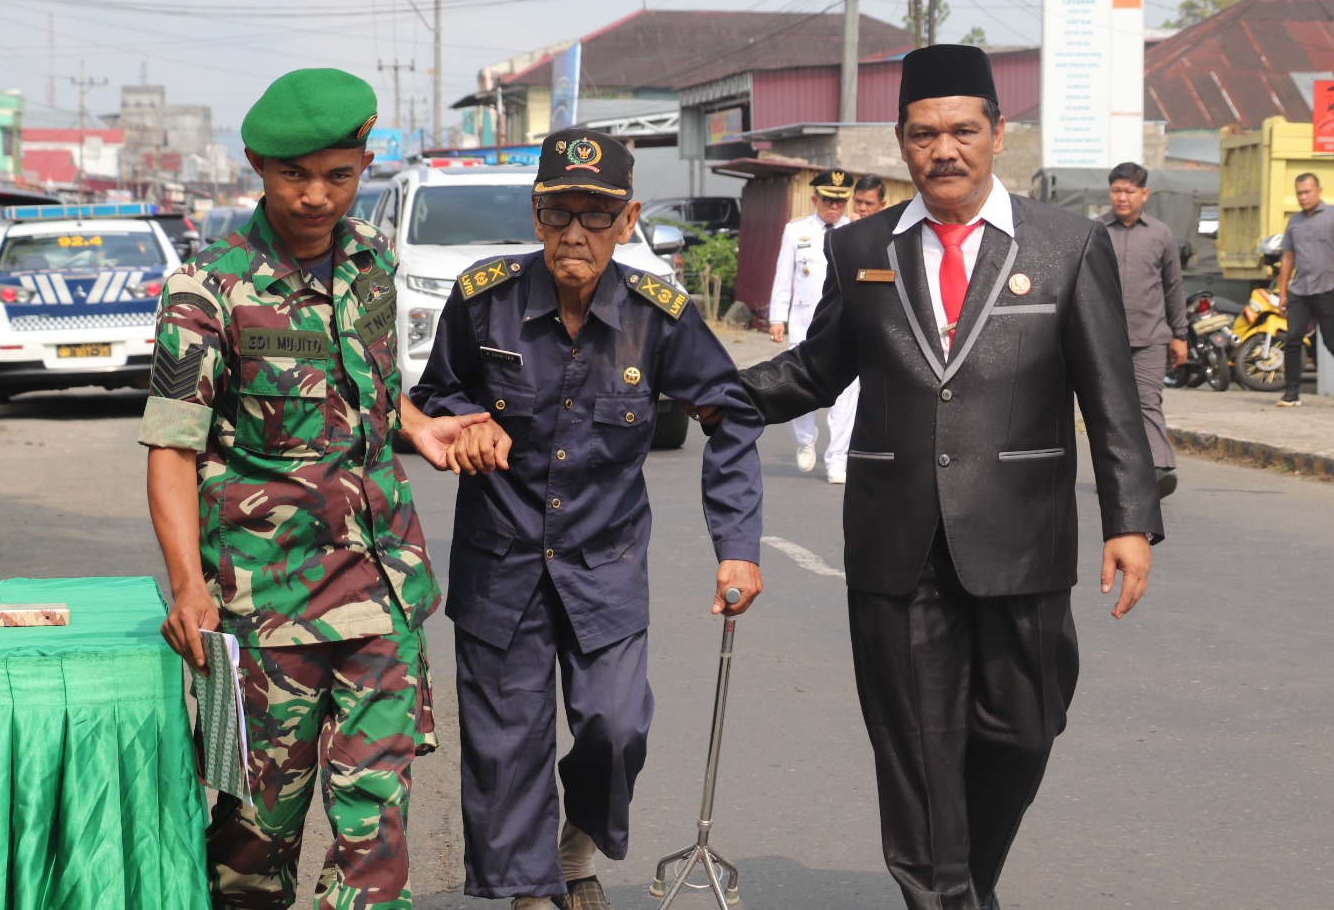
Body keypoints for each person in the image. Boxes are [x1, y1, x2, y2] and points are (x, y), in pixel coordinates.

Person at [734, 44, 1162, 910]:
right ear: (900, 143)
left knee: (1027, 726)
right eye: (925, 134)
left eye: (964, 130)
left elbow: (1111, 393)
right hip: (898, 544)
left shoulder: (1068, 243)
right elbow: (813, 373)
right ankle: (945, 894)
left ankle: (965, 879)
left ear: (998, 134)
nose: (945, 150)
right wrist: (702, 393)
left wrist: (1130, 519)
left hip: (1023, 538)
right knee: (917, 748)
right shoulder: (860, 249)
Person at [141, 68, 491, 909]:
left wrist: (414, 424)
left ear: (364, 163)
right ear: (258, 164)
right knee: (256, 835)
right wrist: (189, 586)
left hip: (383, 586)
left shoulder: (373, 260)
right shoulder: (208, 289)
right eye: (295, 174)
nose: (316, 195)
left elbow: (362, 381)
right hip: (268, 608)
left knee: (377, 826)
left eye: (339, 174)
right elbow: (171, 450)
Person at [411, 128, 764, 910]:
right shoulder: (483, 299)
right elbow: (434, 394)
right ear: (535, 215)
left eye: (596, 215)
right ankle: (531, 889)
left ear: (628, 218)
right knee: (506, 745)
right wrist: (466, 417)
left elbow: (730, 415)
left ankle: (577, 840)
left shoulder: (657, 315)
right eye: (558, 212)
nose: (575, 232)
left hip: (603, 564)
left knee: (614, 727)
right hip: (499, 560)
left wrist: (737, 546)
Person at [1097, 162, 1187, 498]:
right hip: (1105, 338)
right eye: (1116, 191)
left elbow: (1173, 287)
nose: (1122, 197)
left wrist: (1180, 335)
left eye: (1129, 191)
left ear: (1144, 194)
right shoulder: (1095, 230)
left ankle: (1160, 468)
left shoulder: (1161, 234)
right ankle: (1119, 473)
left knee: (1148, 402)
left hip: (1150, 338)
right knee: (1111, 409)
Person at [767, 168, 859, 483]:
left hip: (846, 322)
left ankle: (837, 460)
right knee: (801, 384)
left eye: (840, 201)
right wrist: (777, 317)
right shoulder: (797, 232)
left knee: (847, 393)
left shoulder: (857, 229)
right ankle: (805, 439)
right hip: (805, 321)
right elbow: (783, 276)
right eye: (828, 200)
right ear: (814, 198)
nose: (834, 207)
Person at [1277, 172, 1334, 407]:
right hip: (1300, 290)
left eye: (1307, 192)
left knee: (1332, 341)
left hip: (1329, 288)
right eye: (1299, 193)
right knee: (1293, 338)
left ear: (1319, 191)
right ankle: (1291, 392)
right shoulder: (1294, 222)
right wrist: (1283, 292)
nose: (1303, 197)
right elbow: (1287, 258)